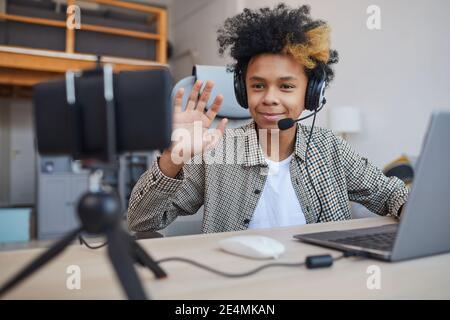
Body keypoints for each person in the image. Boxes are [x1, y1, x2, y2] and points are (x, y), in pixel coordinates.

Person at [127, 4, 409, 234]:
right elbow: (141, 221)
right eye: (258, 85)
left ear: (310, 94)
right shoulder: (217, 152)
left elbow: (391, 194)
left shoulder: (330, 148)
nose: (269, 98)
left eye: (286, 86)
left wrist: (411, 210)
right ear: (242, 90)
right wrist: (173, 157)